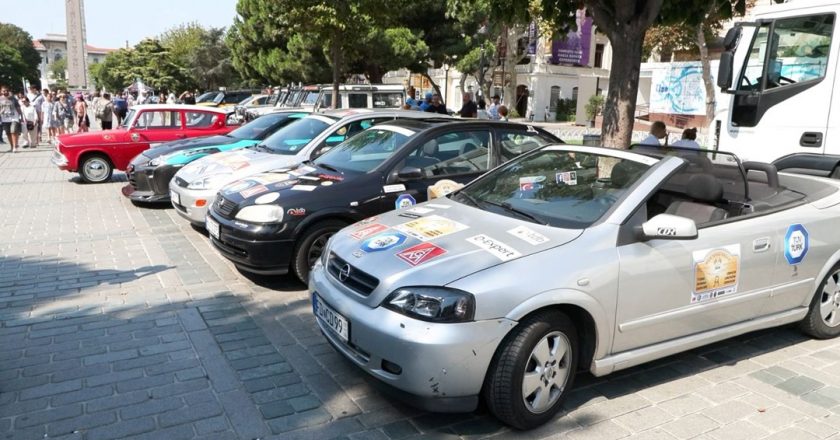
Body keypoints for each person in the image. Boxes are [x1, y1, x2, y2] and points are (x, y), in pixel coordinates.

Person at [0, 85, 23, 152]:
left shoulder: (13, 98)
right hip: (4, 118)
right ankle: (12, 146)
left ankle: (15, 147)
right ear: (1, 91)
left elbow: (18, 108)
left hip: (14, 118)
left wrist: (21, 116)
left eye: (7, 90)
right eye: (4, 91)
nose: (5, 92)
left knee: (13, 131)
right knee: (8, 133)